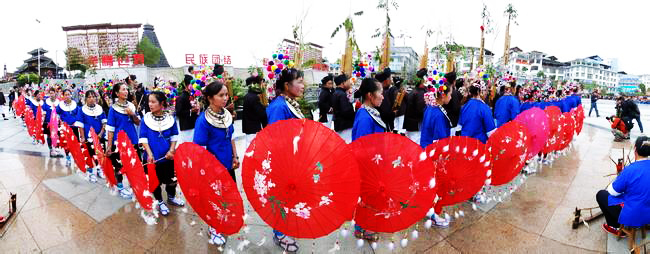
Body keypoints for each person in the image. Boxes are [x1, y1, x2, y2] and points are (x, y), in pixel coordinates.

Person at [193, 81, 239, 246]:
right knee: (214, 198)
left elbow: (231, 137)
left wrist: (235, 156)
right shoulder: (203, 121)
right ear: (210, 98)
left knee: (226, 196)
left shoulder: (226, 115)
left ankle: (221, 219)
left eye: (226, 94)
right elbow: (200, 150)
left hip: (227, 165)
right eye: (221, 95)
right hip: (212, 169)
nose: (225, 98)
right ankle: (213, 228)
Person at [264, 68, 303, 252]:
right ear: (287, 86)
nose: (303, 86)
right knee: (281, 197)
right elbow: (276, 138)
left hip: (292, 159)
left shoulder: (290, 103)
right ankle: (279, 233)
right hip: (282, 161)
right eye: (299, 82)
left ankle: (284, 228)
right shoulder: (279, 107)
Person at [350, 78, 385, 241]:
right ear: (370, 95)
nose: (383, 97)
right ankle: (364, 228)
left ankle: (362, 227)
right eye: (380, 93)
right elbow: (363, 145)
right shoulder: (364, 116)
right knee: (368, 195)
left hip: (375, 163)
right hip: (368, 165)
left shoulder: (370, 112)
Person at [140, 91, 185, 216]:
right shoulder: (146, 119)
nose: (150, 104)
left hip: (168, 157)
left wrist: (171, 150)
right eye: (149, 101)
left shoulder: (170, 119)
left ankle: (171, 197)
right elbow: (143, 138)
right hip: (152, 158)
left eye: (153, 102)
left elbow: (174, 136)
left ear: (162, 103)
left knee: (171, 180)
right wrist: (149, 154)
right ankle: (160, 201)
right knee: (155, 182)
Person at [596, 136, 650, 236]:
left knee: (601, 194)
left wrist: (621, 178)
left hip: (634, 216)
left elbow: (612, 192)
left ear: (635, 149)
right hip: (648, 213)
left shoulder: (630, 170)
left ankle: (614, 226)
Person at [105, 83, 140, 199]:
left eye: (127, 89)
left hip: (132, 139)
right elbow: (110, 129)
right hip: (118, 141)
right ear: (116, 93)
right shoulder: (113, 109)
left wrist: (132, 114)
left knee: (134, 164)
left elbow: (138, 122)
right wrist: (109, 146)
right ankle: (120, 187)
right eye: (123, 89)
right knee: (119, 166)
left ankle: (133, 185)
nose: (126, 92)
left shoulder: (131, 106)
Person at [75, 90, 107, 182]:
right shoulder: (81, 110)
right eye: (89, 97)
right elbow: (80, 124)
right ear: (86, 99)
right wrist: (82, 137)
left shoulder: (100, 109)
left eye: (93, 97)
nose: (92, 99)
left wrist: (100, 134)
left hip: (99, 136)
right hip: (87, 136)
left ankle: (99, 169)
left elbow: (104, 122)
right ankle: (90, 172)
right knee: (89, 154)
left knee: (99, 153)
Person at [420, 84, 452, 149]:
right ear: (443, 95)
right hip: (433, 151)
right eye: (450, 94)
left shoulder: (429, 108)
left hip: (425, 146)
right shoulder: (438, 115)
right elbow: (440, 137)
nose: (450, 97)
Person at [242, 75, 268, 145]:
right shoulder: (254, 97)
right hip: (253, 129)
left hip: (250, 128)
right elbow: (261, 114)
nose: (262, 85)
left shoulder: (248, 96)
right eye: (261, 83)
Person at [404, 68, 428, 143]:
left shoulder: (415, 91)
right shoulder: (419, 93)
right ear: (424, 79)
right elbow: (421, 110)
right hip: (416, 126)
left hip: (412, 125)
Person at [57, 89, 80, 166]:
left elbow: (78, 114)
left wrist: (76, 121)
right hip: (65, 128)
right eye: (65, 95)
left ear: (71, 95)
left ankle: (76, 158)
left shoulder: (75, 104)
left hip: (75, 127)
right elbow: (56, 114)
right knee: (66, 144)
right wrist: (60, 121)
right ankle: (68, 158)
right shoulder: (60, 105)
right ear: (63, 96)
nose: (67, 96)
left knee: (76, 143)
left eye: (68, 94)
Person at [175, 74, 200, 144]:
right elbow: (178, 112)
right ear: (186, 85)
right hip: (186, 127)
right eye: (191, 84)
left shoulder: (193, 96)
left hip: (194, 124)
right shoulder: (181, 98)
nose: (192, 86)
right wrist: (191, 110)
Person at [332, 74, 355, 143]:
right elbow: (346, 111)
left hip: (340, 124)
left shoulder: (336, 93)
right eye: (348, 81)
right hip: (345, 125)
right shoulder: (341, 94)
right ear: (343, 83)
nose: (350, 83)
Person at [43, 88, 61, 157]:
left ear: (55, 93)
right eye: (50, 93)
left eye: (52, 93)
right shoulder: (46, 102)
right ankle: (51, 150)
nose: (51, 94)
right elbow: (44, 112)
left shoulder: (58, 102)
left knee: (58, 135)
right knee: (49, 136)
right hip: (48, 121)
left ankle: (56, 149)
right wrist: (43, 121)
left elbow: (60, 112)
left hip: (57, 122)